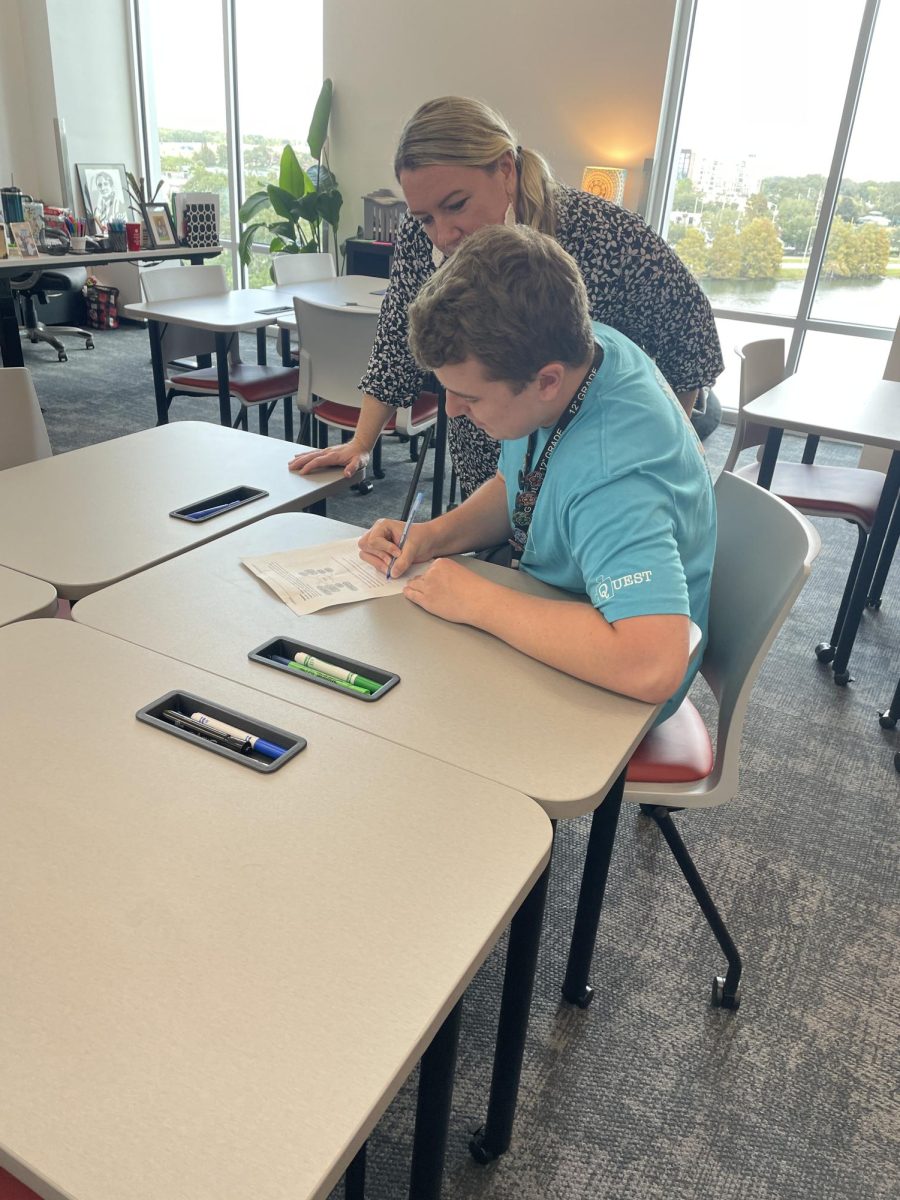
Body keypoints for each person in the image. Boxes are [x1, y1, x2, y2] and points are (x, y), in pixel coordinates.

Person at [357, 225, 716, 719]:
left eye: (471, 395)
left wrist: (482, 602)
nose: (453, 410)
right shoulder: (576, 351)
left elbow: (651, 664)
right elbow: (521, 487)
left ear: (545, 381)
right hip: (561, 601)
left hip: (617, 686)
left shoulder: (615, 475)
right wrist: (432, 536)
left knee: (415, 715)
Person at [290, 95, 723, 499]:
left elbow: (690, 339)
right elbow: (396, 343)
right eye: (424, 218)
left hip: (597, 461)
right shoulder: (421, 240)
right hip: (488, 458)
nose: (443, 236)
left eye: (456, 205)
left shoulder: (602, 234)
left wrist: (658, 459)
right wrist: (361, 444)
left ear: (505, 169)